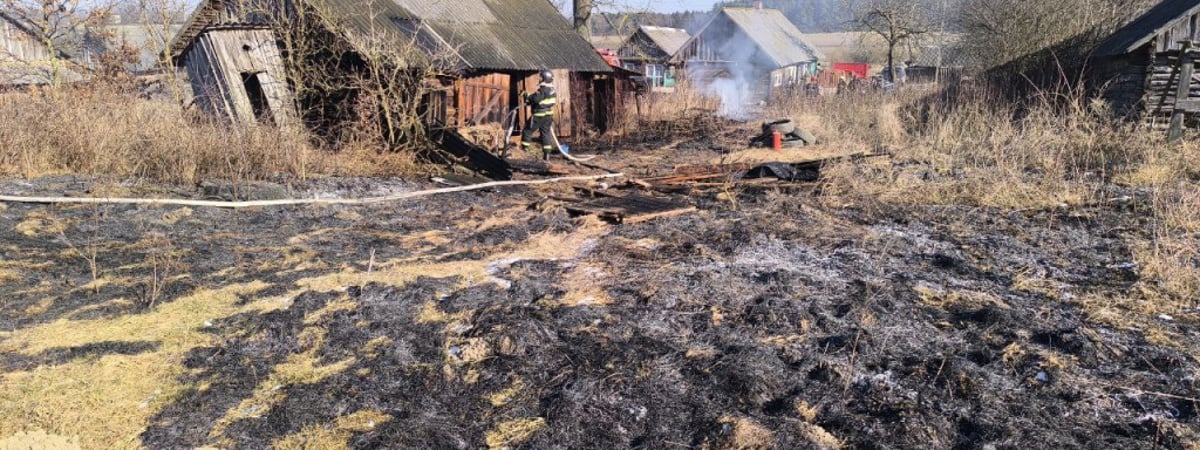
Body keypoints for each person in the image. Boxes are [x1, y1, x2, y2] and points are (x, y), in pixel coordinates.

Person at [521, 70, 557, 160]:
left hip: (539, 115)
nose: (539, 79)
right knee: (545, 134)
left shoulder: (542, 89)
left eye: (541, 77)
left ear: (545, 78)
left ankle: (524, 151)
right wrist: (531, 98)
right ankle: (547, 156)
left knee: (527, 131)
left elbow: (536, 99)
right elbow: (541, 100)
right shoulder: (552, 90)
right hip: (548, 115)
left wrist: (526, 96)